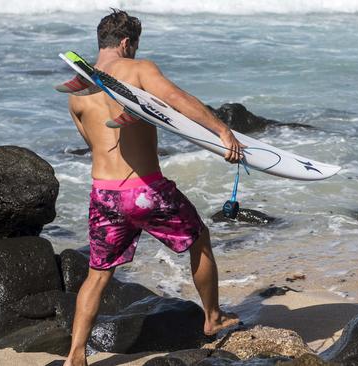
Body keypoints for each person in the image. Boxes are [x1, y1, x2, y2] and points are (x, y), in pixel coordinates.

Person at [63, 9, 241, 366]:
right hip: (146, 190)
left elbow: (93, 143)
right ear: (127, 43)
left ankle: (75, 355)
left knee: (98, 274)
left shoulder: (76, 92)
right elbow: (178, 100)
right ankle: (213, 316)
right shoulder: (139, 69)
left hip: (105, 194)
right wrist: (222, 131)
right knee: (199, 239)